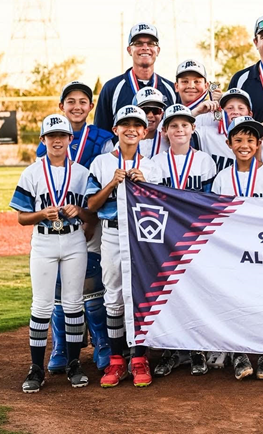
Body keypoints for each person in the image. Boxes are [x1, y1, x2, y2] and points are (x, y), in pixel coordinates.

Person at [11, 114, 99, 393]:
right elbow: (22, 218)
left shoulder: (82, 173)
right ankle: (36, 367)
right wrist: (41, 213)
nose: (57, 140)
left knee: (73, 304)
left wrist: (80, 211)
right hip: (44, 241)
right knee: (41, 305)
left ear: (70, 139)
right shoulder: (32, 172)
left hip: (74, 240)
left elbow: (93, 214)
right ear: (43, 140)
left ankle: (74, 363)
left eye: (62, 136)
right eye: (51, 136)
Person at [35, 81, 114, 377]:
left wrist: (90, 219)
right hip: (60, 223)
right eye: (71, 101)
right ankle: (60, 345)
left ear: (91, 107)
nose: (77, 106)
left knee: (93, 279)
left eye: (83, 101)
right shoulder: (47, 139)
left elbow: (104, 178)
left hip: (92, 217)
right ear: (61, 106)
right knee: (58, 283)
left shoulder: (103, 138)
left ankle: (102, 343)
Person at [136, 104, 219, 380]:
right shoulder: (155, 163)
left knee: (195, 291)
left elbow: (209, 200)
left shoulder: (205, 161)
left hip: (197, 233)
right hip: (166, 235)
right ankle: (171, 349)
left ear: (193, 128)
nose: (179, 130)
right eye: (173, 125)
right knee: (168, 293)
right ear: (165, 130)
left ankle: (196, 348)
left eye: (185, 125)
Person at [83, 105, 164, 388]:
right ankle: (116, 360)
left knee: (140, 295)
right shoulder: (102, 163)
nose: (131, 129)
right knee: (114, 295)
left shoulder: (153, 166)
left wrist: (146, 187)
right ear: (115, 129)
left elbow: (163, 207)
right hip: (113, 233)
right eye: (124, 124)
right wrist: (110, 185)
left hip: (142, 235)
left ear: (144, 131)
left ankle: (139, 357)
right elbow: (91, 205)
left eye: (137, 125)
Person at [205, 117, 263, 380]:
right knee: (236, 300)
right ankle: (238, 352)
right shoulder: (221, 178)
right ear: (228, 144)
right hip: (233, 249)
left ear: (259, 143)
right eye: (239, 140)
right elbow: (214, 216)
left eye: (250, 140)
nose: (245, 145)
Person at [93, 22, 178, 129]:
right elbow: (101, 133)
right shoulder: (112, 88)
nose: (145, 47)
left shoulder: (171, 89)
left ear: (158, 50)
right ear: (129, 50)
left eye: (151, 43)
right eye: (138, 43)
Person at [195, 88, 257, 171]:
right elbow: (179, 131)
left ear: (250, 114)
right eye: (230, 108)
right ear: (221, 112)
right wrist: (196, 112)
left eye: (241, 108)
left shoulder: (257, 138)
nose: (235, 111)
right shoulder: (206, 134)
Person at [134, 87, 169, 158]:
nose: (150, 115)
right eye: (145, 110)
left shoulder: (169, 141)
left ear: (162, 114)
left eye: (156, 111)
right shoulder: (124, 141)